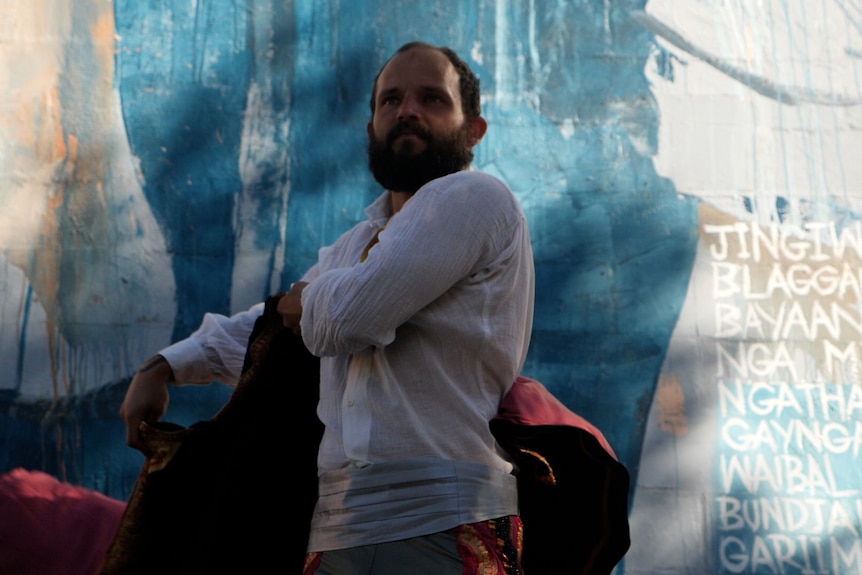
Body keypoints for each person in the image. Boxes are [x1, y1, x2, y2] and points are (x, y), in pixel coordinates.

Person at [119, 41, 535, 574]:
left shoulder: (476, 196)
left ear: (473, 129)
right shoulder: (353, 245)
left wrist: (307, 301)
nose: (406, 110)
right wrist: (166, 365)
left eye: (431, 99)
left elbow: (346, 319)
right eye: (390, 101)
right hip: (338, 531)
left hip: (441, 526)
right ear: (370, 129)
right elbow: (269, 328)